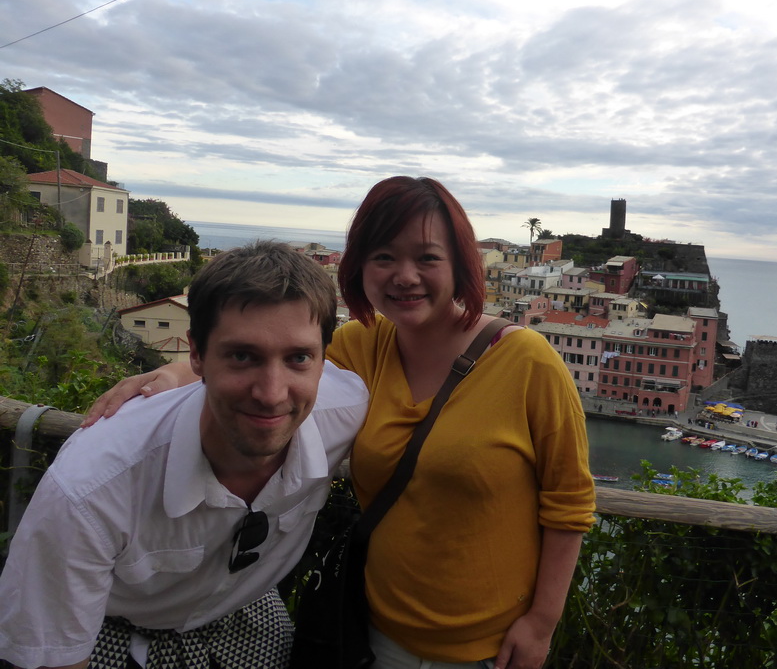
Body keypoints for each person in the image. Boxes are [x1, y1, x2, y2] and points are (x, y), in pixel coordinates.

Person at [85, 177, 596, 669]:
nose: (405, 275)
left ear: (460, 264)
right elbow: (271, 357)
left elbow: (569, 502)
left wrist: (542, 622)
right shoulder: (362, 346)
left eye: (427, 258)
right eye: (383, 257)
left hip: (490, 645)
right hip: (374, 630)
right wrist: (174, 371)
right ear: (360, 268)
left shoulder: (527, 361)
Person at [0, 242, 369, 669]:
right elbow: (55, 658)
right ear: (196, 353)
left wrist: (174, 373)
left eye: (298, 358)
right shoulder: (91, 487)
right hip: (111, 630)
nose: (271, 394)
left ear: (323, 360)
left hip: (244, 617)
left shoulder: (344, 411)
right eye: (242, 356)